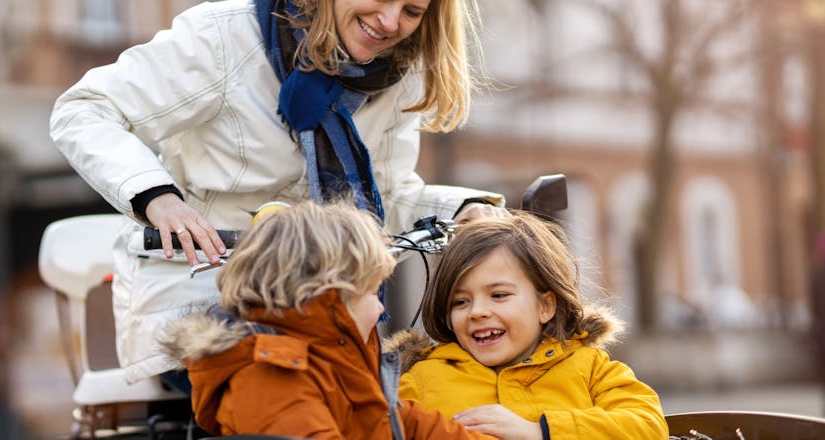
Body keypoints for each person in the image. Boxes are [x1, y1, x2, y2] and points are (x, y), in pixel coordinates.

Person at [50, 0, 506, 387]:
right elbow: (84, 110)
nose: (390, 23)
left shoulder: (395, 73)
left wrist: (463, 210)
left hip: (327, 314)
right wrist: (158, 199)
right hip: (205, 301)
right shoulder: (226, 36)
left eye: (411, 11)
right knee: (292, 387)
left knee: (426, 388)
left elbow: (383, 199)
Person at [160, 201, 496, 439]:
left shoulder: (333, 363)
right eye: (369, 293)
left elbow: (407, 424)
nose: (380, 309)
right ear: (330, 294)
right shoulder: (273, 376)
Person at [388, 213, 668, 439]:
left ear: (545, 306)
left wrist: (540, 431)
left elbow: (647, 425)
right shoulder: (423, 379)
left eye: (499, 295)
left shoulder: (590, 368)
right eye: (460, 302)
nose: (477, 312)